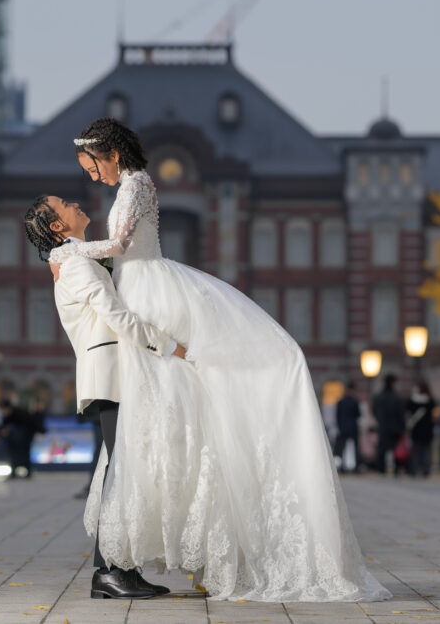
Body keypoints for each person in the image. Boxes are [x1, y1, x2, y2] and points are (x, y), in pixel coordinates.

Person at [34, 116, 390, 602]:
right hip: (142, 298)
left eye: (90, 165)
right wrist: (68, 254)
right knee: (150, 439)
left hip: (148, 291)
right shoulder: (123, 195)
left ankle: (131, 565)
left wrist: (65, 253)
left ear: (111, 154)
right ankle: (132, 564)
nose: (88, 178)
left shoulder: (133, 185)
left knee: (155, 435)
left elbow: (118, 246)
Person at [29, 196, 182, 600]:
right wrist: (166, 345)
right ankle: (109, 571)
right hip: (111, 372)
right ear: (57, 227)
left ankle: (122, 568)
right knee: (122, 472)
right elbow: (115, 315)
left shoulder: (77, 257)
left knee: (125, 469)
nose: (75, 203)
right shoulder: (75, 263)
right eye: (64, 204)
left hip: (118, 370)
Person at [0, 399, 46, 479]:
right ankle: (14, 471)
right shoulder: (8, 415)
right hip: (16, 440)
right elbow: (4, 426)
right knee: (14, 455)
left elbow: (29, 424)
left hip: (25, 438)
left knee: (25, 454)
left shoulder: (19, 413)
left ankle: (27, 472)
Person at [372, 374, 405, 476]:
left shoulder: (379, 397)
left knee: (382, 449)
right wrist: (402, 427)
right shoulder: (396, 398)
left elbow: (374, 412)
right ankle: (396, 469)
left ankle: (381, 470)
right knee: (396, 449)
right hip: (395, 427)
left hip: (383, 426)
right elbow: (400, 414)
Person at [405, 380, 436, 478]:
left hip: (416, 430)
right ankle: (425, 470)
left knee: (416, 451)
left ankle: (414, 470)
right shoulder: (430, 401)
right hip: (427, 430)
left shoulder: (412, 401)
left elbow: (407, 412)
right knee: (426, 451)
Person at [334, 381, 361, 472]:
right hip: (353, 427)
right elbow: (358, 415)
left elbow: (337, 416)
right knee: (355, 448)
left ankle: (340, 467)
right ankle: (356, 467)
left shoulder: (340, 402)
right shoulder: (355, 401)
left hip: (343, 427)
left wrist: (339, 426)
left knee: (340, 448)